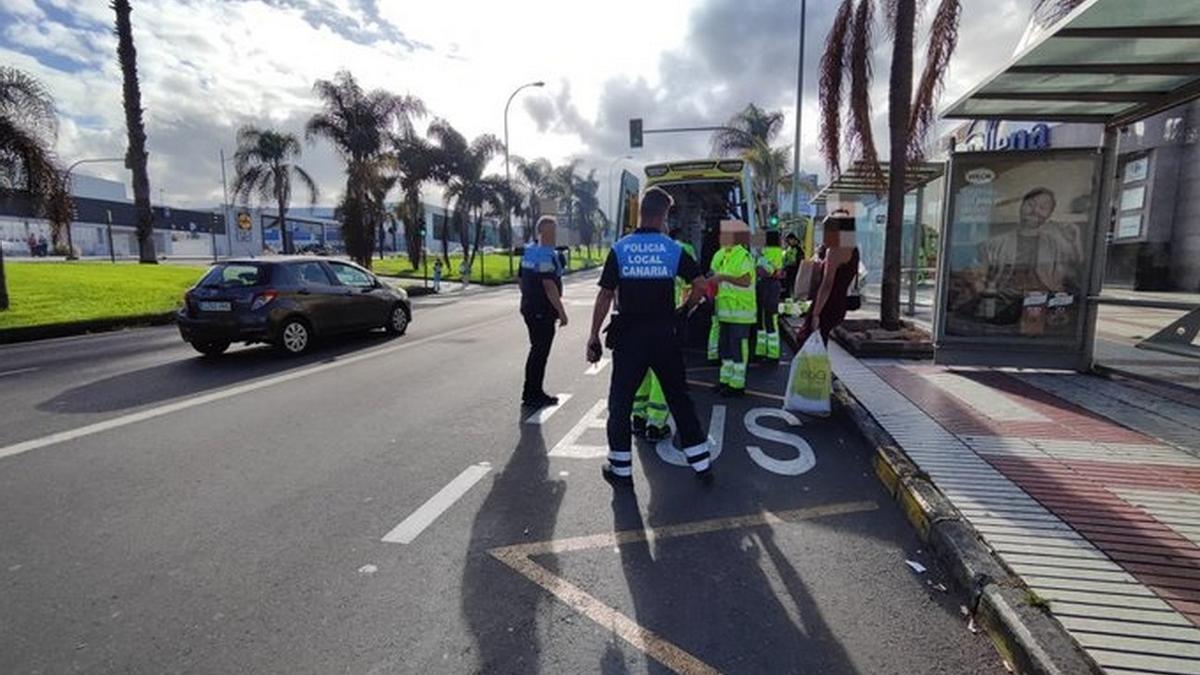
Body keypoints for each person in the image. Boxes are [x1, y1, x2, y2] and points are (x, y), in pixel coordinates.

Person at [587, 187, 711, 486]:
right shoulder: (673, 249)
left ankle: (621, 471)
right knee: (679, 399)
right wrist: (684, 311)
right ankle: (702, 465)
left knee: (620, 404)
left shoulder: (621, 248)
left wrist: (593, 335)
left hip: (629, 339)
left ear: (641, 212)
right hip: (664, 337)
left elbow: (605, 295)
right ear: (664, 215)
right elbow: (701, 286)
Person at [630, 226, 696, 443]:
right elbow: (695, 286)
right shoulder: (679, 250)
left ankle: (638, 417)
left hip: (638, 323)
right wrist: (685, 310)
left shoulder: (633, 249)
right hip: (666, 322)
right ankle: (655, 424)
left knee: (641, 372)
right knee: (662, 375)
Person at [519, 217, 567, 408]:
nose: (555, 235)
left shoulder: (529, 251)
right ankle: (533, 394)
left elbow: (520, 280)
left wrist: (528, 298)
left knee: (536, 349)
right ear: (546, 232)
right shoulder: (546, 255)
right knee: (539, 352)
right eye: (553, 231)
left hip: (529, 308)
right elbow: (549, 286)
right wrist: (561, 312)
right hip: (542, 312)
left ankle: (532, 391)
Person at [797, 214, 860, 346]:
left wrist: (816, 314)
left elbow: (827, 283)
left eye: (827, 228)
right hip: (839, 303)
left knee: (808, 340)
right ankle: (819, 366)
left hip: (827, 304)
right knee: (819, 343)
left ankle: (816, 367)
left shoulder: (835, 250)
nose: (824, 232)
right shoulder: (853, 249)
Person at [710, 220, 756, 396]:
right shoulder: (722, 254)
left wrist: (723, 277)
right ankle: (725, 381)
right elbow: (713, 272)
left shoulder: (742, 256)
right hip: (725, 311)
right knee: (725, 349)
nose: (721, 237)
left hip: (740, 312)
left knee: (737, 349)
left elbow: (745, 281)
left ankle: (737, 386)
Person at [754, 230, 784, 361]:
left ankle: (772, 352)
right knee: (764, 318)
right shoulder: (770, 251)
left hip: (769, 285)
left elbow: (767, 271)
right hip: (768, 285)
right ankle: (763, 350)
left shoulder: (773, 252)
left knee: (769, 318)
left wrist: (761, 262)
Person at [782, 232, 801, 299]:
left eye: (789, 240)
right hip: (788, 269)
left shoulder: (798, 249)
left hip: (795, 269)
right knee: (788, 284)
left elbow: (797, 260)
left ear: (794, 239)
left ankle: (794, 296)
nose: (788, 241)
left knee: (793, 284)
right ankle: (789, 295)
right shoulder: (789, 248)